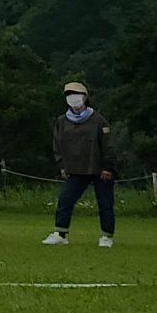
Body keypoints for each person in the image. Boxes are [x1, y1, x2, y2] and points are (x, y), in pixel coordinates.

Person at [43, 80, 115, 247]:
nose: (72, 98)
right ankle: (61, 233)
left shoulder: (98, 120)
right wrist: (62, 165)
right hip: (75, 169)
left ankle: (106, 236)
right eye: (68, 95)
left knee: (105, 203)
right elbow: (57, 145)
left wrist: (107, 167)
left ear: (84, 97)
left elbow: (108, 145)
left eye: (75, 94)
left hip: (98, 168)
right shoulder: (62, 121)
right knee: (65, 200)